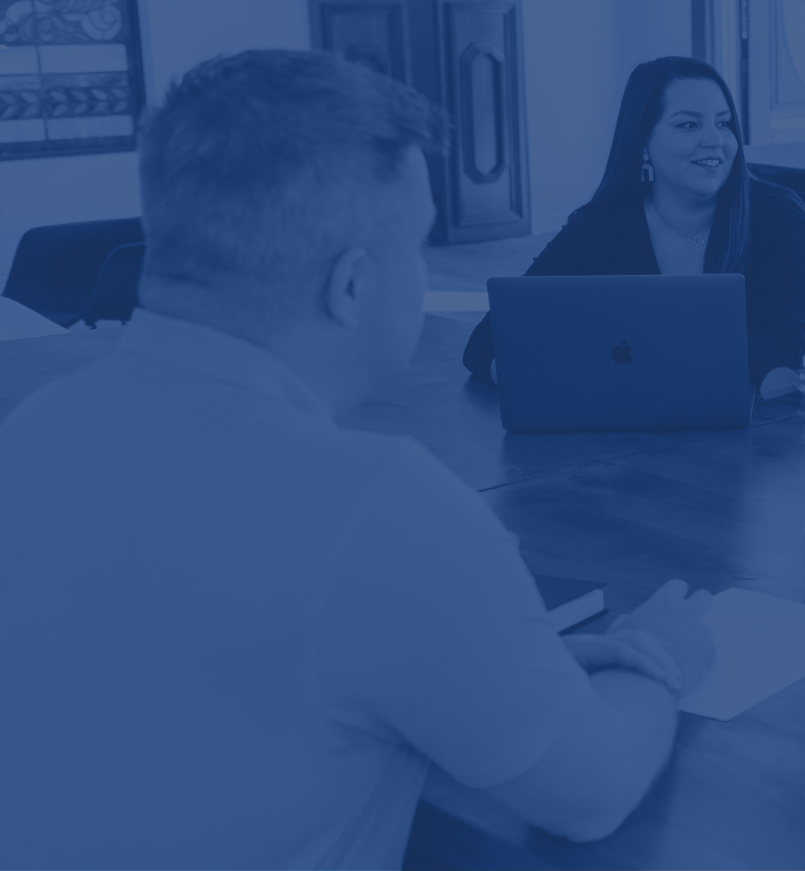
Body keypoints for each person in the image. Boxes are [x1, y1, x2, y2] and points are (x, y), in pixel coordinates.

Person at [0, 51, 716, 868]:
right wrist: (660, 659)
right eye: (415, 244)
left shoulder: (36, 425)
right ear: (351, 287)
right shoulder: (381, 506)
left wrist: (501, 663)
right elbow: (592, 793)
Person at [460, 57, 805, 387]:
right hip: (622, 432)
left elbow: (781, 351)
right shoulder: (599, 225)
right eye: (689, 124)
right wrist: (525, 377)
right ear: (643, 143)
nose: (715, 141)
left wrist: (614, 365)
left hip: (755, 431)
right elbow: (489, 337)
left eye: (723, 124)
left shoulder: (779, 217)